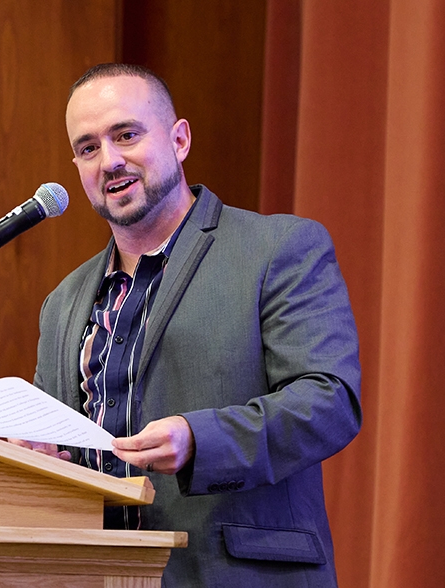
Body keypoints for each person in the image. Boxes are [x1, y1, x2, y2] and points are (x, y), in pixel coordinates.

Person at [27, 63, 362, 587]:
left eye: (126, 135)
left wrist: (198, 439)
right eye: (88, 147)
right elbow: (58, 444)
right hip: (95, 572)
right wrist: (37, 452)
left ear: (179, 140)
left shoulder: (275, 250)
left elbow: (329, 402)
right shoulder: (63, 302)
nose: (109, 160)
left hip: (235, 572)